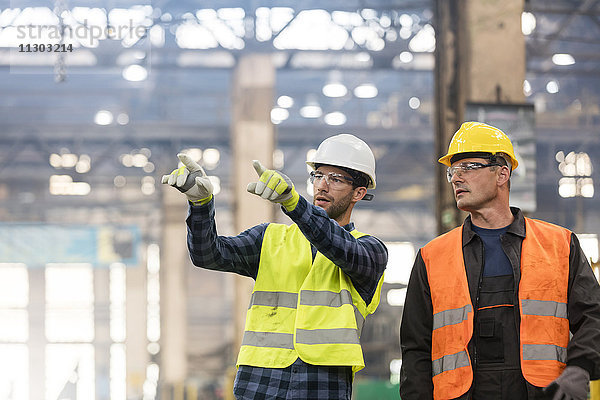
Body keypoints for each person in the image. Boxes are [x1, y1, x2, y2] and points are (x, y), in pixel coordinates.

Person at [162, 133, 388, 400]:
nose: (322, 186)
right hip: (259, 382)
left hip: (321, 384)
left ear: (359, 193)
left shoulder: (370, 251)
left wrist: (293, 204)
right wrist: (200, 205)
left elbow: (336, 245)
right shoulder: (270, 238)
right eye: (318, 176)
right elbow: (207, 254)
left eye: (335, 179)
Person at [400, 121, 600, 400]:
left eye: (468, 167)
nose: (457, 178)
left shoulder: (560, 244)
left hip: (542, 393)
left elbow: (593, 316)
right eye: (452, 171)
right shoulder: (433, 256)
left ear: (502, 173)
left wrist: (580, 368)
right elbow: (416, 349)